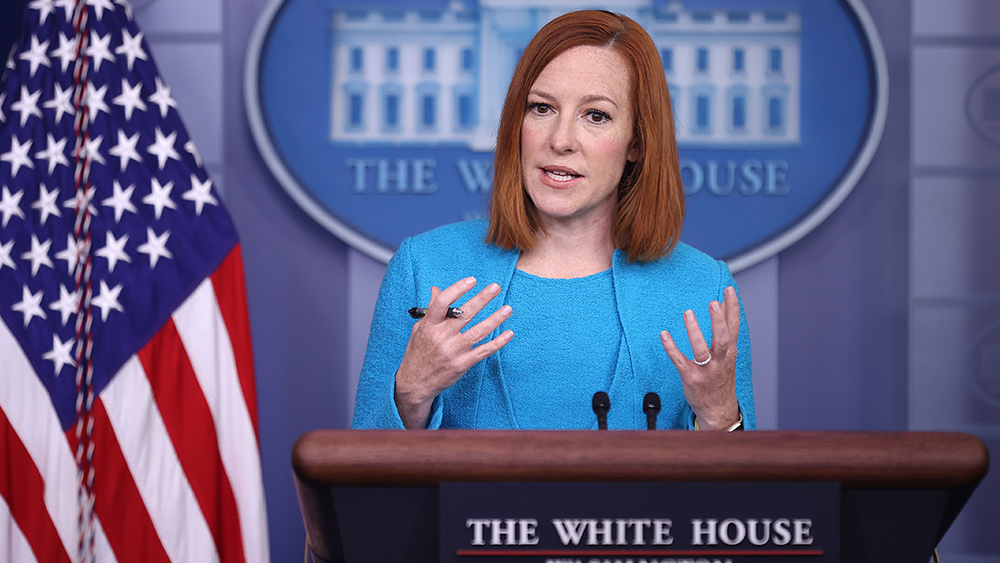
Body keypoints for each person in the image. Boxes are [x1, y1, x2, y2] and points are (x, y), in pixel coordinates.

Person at [352, 10, 754, 431]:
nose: (560, 140)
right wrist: (410, 392)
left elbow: (746, 474)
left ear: (637, 141)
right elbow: (361, 468)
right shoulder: (424, 265)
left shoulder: (704, 289)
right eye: (541, 108)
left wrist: (720, 416)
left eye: (596, 115)